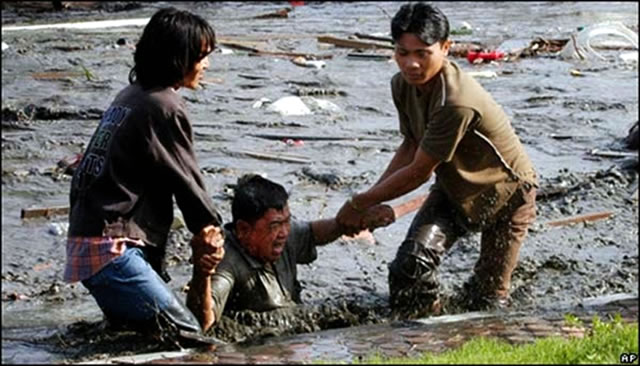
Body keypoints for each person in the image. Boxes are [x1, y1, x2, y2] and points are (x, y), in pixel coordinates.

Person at [336, 2, 538, 314]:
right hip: (454, 188)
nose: (411, 64)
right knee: (410, 266)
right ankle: (423, 333)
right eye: (402, 53)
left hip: (507, 193)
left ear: (446, 48)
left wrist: (358, 203)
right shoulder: (401, 85)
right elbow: (410, 146)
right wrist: (371, 203)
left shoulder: (456, 101)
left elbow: (418, 171)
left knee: (489, 300)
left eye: (422, 53)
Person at [63, 7, 225, 337]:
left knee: (137, 337)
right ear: (179, 58)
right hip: (111, 250)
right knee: (189, 338)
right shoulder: (163, 105)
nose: (206, 64)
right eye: (201, 56)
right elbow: (187, 180)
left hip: (87, 241)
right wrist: (210, 228)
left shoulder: (131, 96)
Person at [187, 174, 395, 333]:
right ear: (243, 230)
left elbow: (315, 234)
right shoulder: (226, 261)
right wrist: (202, 274)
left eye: (287, 221)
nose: (284, 232)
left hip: (291, 318)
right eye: (275, 225)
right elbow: (203, 325)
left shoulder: (285, 234)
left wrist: (354, 221)